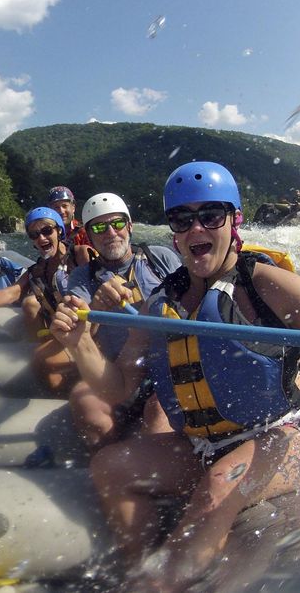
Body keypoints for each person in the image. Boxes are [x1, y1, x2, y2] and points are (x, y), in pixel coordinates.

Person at [51, 161, 300, 591]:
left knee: (219, 485)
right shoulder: (159, 303)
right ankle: (142, 568)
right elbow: (117, 388)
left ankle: (159, 584)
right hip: (206, 442)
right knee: (112, 466)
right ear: (173, 230)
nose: (196, 228)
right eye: (183, 219)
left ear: (234, 219)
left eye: (211, 216)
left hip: (285, 438)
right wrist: (80, 344)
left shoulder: (266, 283)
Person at [64, 192, 180, 447]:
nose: (110, 233)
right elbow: (81, 331)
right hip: (116, 371)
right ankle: (109, 459)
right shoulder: (83, 277)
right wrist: (96, 306)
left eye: (117, 224)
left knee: (158, 411)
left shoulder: (160, 258)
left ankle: (148, 464)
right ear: (90, 236)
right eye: (100, 227)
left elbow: (192, 303)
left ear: (129, 226)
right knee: (85, 403)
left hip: (169, 367)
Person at [0, 207, 89, 396]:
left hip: (90, 332)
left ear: (59, 230)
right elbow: (13, 292)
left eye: (46, 231)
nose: (41, 238)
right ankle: (62, 397)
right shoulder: (37, 270)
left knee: (42, 359)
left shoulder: (81, 255)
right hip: (64, 334)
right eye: (34, 234)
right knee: (30, 306)